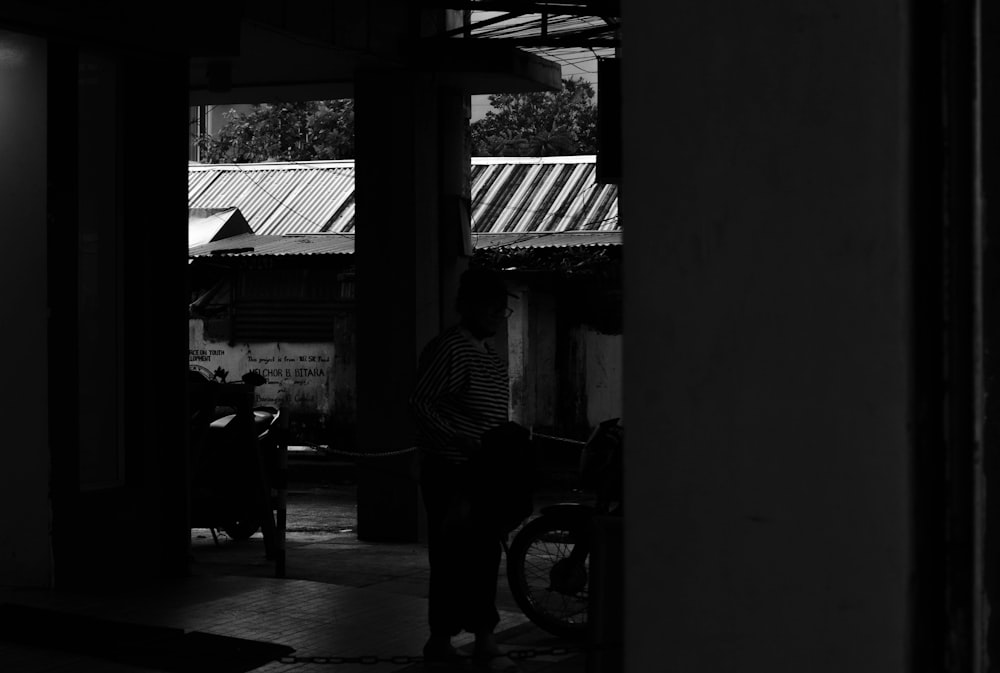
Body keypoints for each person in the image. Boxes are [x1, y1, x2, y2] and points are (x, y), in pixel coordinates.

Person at [409, 267, 521, 668]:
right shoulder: (449, 349)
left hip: (483, 473)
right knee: (452, 557)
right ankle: (440, 640)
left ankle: (484, 636)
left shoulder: (488, 356)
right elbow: (421, 403)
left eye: (501, 310)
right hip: (451, 471)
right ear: (469, 307)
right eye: (491, 309)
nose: (497, 316)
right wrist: (457, 439)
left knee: (484, 555)